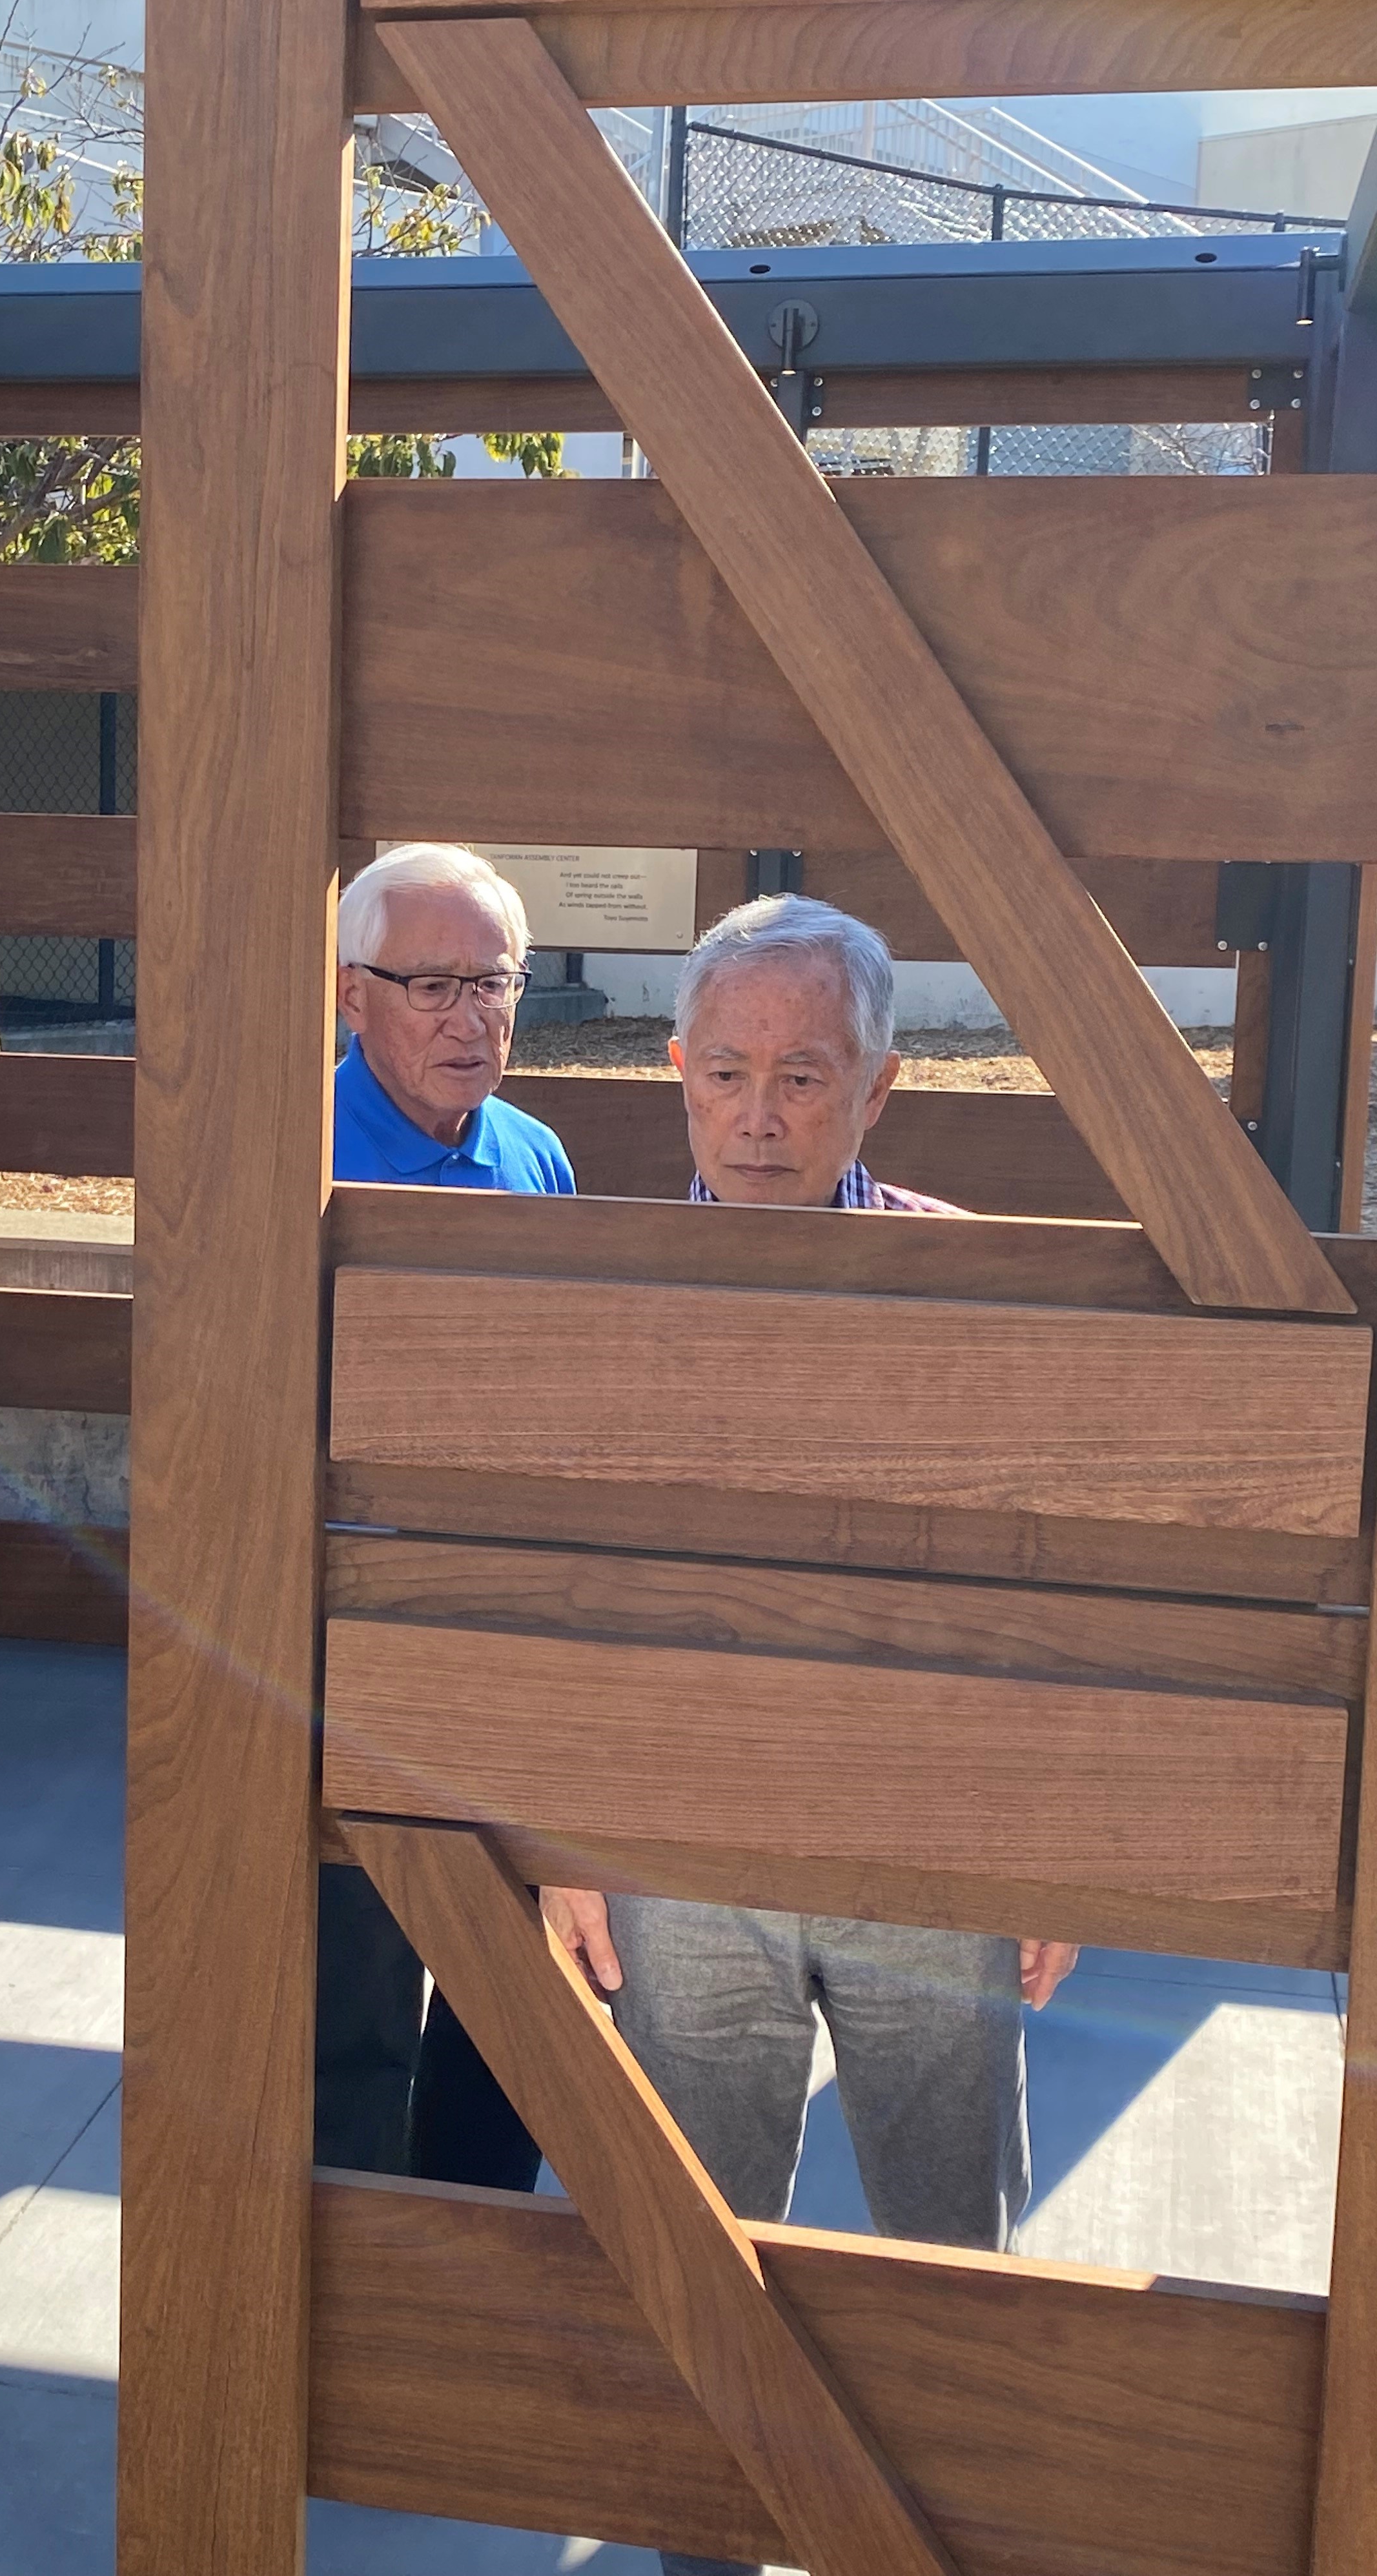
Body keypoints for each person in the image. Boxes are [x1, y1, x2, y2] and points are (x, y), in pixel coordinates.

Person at [538, 895, 1079, 2576]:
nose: (759, 1117)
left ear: (880, 1088)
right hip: (682, 1864)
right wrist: (564, 1843)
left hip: (925, 1855)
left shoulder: (964, 1283)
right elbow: (566, 1592)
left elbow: (1032, 1581)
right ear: (675, 1077)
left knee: (950, 2260)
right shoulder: (601, 1300)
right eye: (726, 1076)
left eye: (802, 1075)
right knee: (704, 2271)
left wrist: (1048, 1838)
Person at [323, 841, 572, 2190]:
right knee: (355, 2002)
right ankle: (361, 2280)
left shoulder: (540, 1156)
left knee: (510, 2011)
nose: (472, 1016)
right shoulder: (289, 1159)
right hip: (353, 1649)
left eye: (496, 981)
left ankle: (482, 2260)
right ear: (351, 994)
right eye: (433, 984)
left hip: (504, 1646)